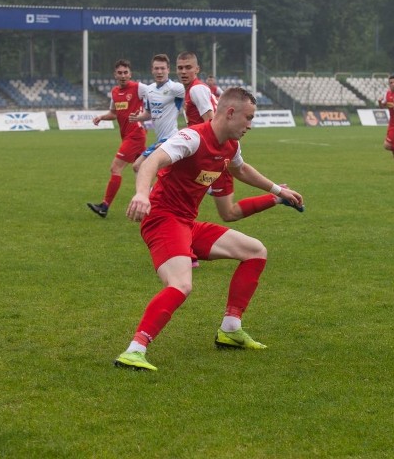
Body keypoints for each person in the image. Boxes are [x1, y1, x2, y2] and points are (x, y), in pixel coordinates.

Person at [114, 87, 304, 371]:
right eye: (248, 118)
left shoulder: (231, 146)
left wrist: (277, 190)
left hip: (187, 223)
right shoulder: (192, 138)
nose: (250, 125)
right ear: (230, 113)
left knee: (255, 251)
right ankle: (135, 349)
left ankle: (230, 328)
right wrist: (142, 194)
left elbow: (240, 170)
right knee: (181, 284)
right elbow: (152, 161)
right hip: (163, 219)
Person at [176, 51, 303, 220]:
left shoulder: (197, 89)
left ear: (197, 69)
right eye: (180, 68)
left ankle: (278, 197)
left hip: (214, 153)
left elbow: (212, 122)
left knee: (229, 213)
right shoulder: (195, 89)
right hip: (208, 151)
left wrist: (212, 151)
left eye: (188, 67)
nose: (184, 72)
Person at [87, 59, 147, 218]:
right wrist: (101, 117)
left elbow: (156, 94)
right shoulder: (114, 92)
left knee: (115, 168)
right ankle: (154, 204)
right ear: (115, 74)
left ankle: (104, 206)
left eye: (126, 72)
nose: (123, 75)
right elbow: (114, 113)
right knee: (141, 171)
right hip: (127, 136)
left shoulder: (138, 88)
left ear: (130, 74)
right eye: (120, 73)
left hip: (135, 136)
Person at [132, 54, 186, 173]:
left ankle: (146, 192)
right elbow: (148, 114)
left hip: (170, 138)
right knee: (172, 173)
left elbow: (191, 95)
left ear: (168, 70)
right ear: (152, 70)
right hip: (160, 139)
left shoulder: (176, 88)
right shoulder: (149, 90)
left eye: (162, 68)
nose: (159, 71)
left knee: (139, 166)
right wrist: (138, 118)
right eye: (156, 68)